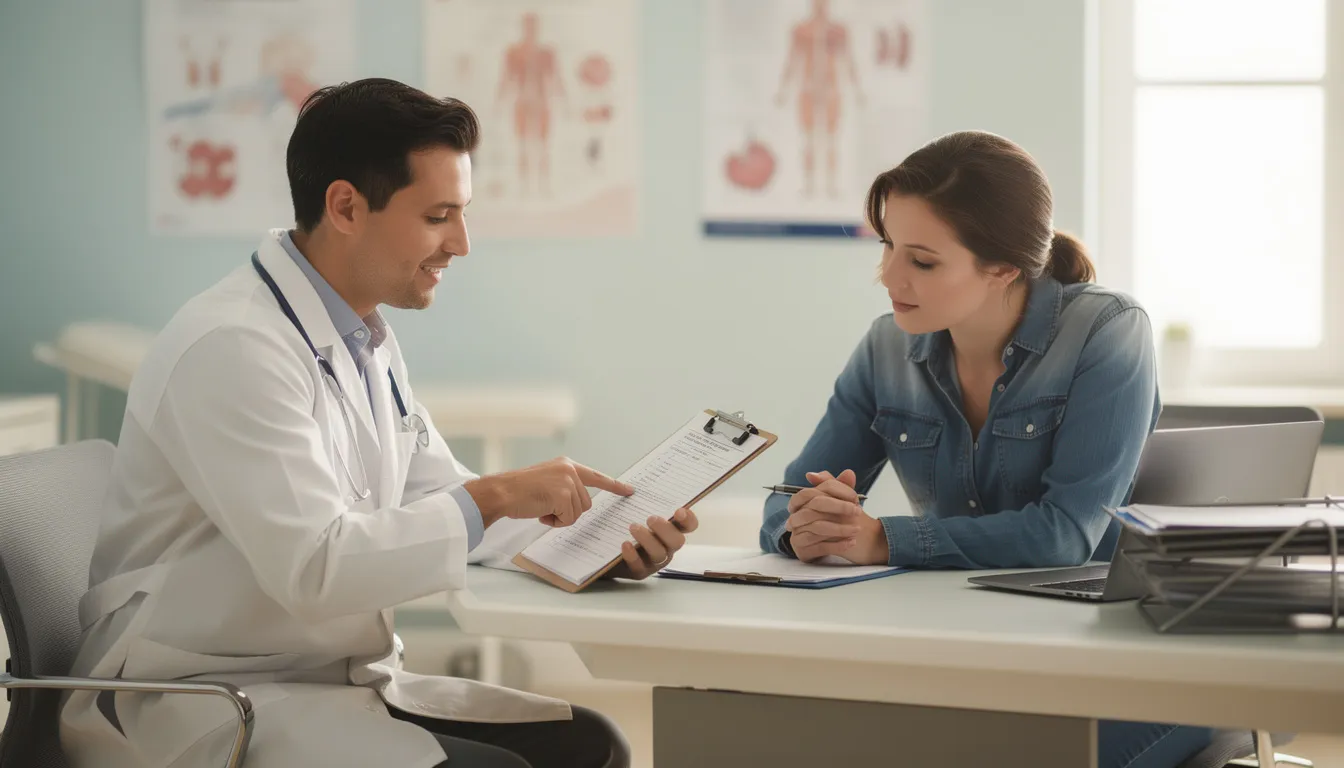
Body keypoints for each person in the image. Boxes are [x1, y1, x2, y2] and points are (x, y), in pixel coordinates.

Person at [59, 78, 695, 768]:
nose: (462, 243)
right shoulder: (234, 347)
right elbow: (318, 568)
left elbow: (438, 496)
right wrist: (498, 495)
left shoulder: (361, 337)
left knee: (592, 745)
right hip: (211, 696)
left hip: (317, 678)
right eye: (437, 216)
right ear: (345, 206)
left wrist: (600, 543)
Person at [757, 130, 1213, 768]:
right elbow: (785, 504)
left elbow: (1067, 536)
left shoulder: (1108, 331)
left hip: (1121, 660)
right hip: (966, 648)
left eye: (922, 260)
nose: (888, 276)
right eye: (888, 246)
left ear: (1002, 267)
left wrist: (882, 539)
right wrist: (802, 528)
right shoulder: (885, 348)